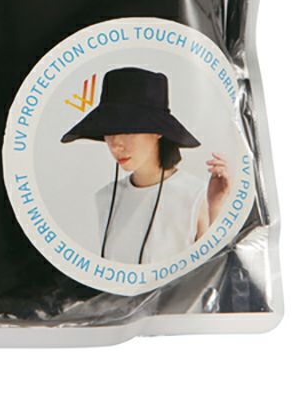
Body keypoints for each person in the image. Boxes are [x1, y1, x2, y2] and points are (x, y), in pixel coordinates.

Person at [61, 67, 231, 264]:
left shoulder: (196, 196)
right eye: (109, 131)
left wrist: (216, 207)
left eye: (128, 130)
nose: (115, 144)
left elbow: (214, 270)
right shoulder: (104, 198)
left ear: (158, 131)